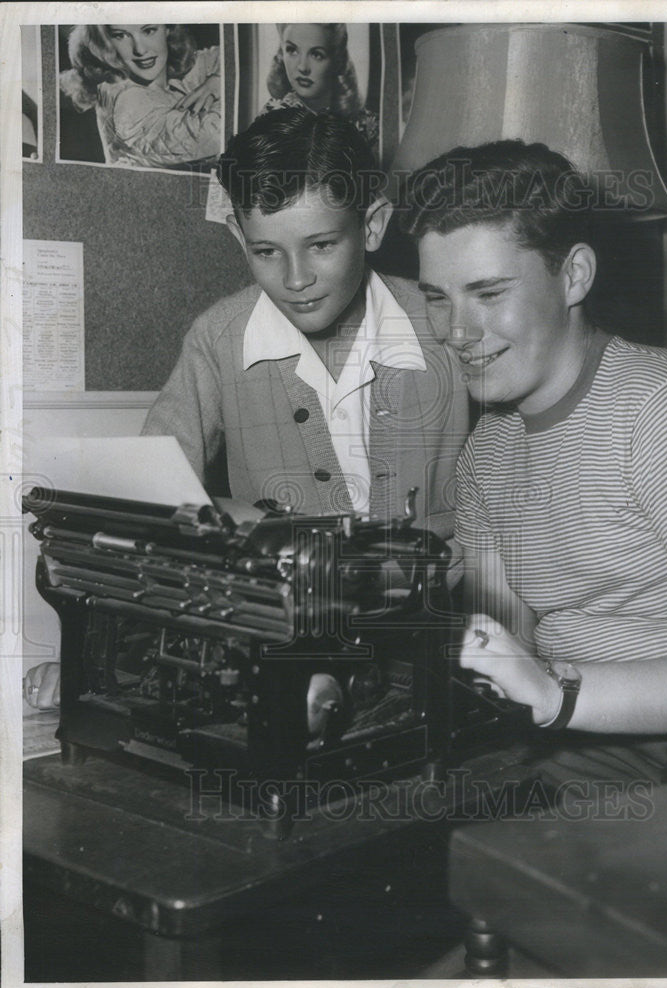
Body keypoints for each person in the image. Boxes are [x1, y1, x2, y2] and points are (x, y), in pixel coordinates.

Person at [24, 108, 469, 711]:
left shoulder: (449, 323)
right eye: (266, 251)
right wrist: (91, 662)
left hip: (447, 642)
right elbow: (145, 513)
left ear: (372, 225)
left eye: (321, 245)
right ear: (238, 235)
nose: (295, 279)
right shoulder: (219, 337)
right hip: (283, 654)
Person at [402, 139, 667, 736]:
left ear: (574, 275)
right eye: (436, 298)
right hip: (563, 741)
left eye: (488, 293)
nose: (456, 331)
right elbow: (498, 648)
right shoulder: (487, 451)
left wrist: (557, 693)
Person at [60, 23, 221, 168]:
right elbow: (216, 134)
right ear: (103, 42)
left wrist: (217, 79)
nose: (140, 49)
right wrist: (222, 82)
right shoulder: (126, 101)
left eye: (149, 30)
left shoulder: (167, 74)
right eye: (121, 35)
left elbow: (226, 56)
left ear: (167, 29)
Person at [262, 23, 379, 157]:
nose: (303, 67)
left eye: (317, 55)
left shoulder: (366, 124)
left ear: (337, 60)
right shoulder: (271, 120)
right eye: (292, 50)